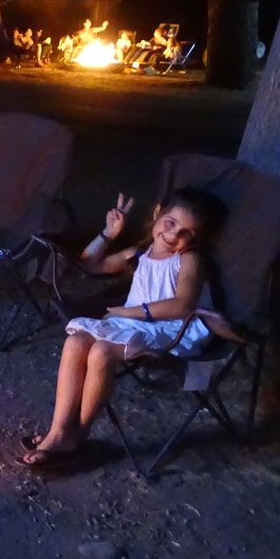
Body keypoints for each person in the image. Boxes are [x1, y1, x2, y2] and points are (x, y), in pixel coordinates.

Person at [16, 188, 227, 469]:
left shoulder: (190, 260)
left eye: (186, 232)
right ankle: (59, 432)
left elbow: (182, 305)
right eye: (170, 223)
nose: (174, 235)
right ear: (157, 213)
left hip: (175, 329)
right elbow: (88, 264)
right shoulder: (138, 254)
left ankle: (77, 437)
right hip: (133, 324)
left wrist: (128, 311)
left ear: (197, 238)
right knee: (75, 342)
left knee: (102, 352)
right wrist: (109, 233)